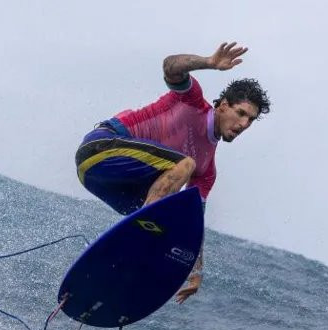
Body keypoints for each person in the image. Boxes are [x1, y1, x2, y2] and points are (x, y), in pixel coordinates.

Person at [75, 42, 271, 303]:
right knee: (184, 166)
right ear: (223, 105)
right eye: (241, 113)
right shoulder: (192, 101)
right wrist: (209, 62)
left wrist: (195, 271)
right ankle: (137, 237)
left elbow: (194, 222)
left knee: (174, 219)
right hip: (100, 149)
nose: (244, 124)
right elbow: (170, 66)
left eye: (250, 120)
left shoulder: (207, 170)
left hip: (104, 183)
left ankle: (118, 275)